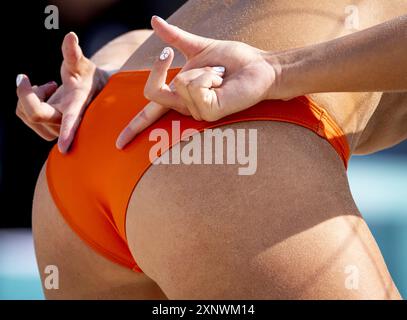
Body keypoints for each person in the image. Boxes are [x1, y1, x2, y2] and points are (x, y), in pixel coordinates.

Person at [16, 0, 407, 299]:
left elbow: (159, 36)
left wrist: (106, 69)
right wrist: (278, 71)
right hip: (230, 141)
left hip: (92, 144)